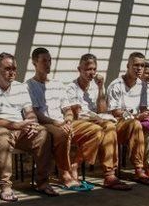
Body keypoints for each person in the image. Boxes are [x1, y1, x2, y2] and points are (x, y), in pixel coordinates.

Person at [0, 52, 58, 201]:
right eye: (8, 68)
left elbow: (29, 112)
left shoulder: (20, 87)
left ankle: (42, 182)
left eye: (14, 68)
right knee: (3, 137)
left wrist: (31, 123)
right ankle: (5, 186)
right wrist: (15, 125)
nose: (12, 72)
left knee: (43, 133)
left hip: (19, 128)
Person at [27, 48, 98, 191]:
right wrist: (57, 123)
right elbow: (35, 113)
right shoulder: (29, 85)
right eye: (44, 61)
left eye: (50, 61)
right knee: (63, 134)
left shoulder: (57, 84)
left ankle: (74, 164)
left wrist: (68, 121)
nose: (48, 64)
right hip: (45, 123)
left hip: (63, 122)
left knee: (95, 130)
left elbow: (67, 110)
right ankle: (64, 173)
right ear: (34, 63)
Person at [66, 54, 131, 190]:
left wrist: (101, 88)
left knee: (109, 126)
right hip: (80, 122)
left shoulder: (95, 86)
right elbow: (77, 113)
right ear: (79, 69)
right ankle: (77, 164)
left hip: (97, 121)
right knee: (102, 128)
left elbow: (102, 110)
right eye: (88, 69)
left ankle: (109, 174)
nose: (92, 73)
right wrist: (98, 118)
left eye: (94, 69)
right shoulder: (72, 87)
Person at [105, 52, 149, 185]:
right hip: (118, 124)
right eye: (136, 65)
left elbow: (143, 108)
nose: (139, 68)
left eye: (142, 65)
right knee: (135, 124)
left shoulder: (142, 85)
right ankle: (138, 169)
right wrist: (135, 117)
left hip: (136, 121)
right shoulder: (116, 85)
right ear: (128, 66)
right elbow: (115, 111)